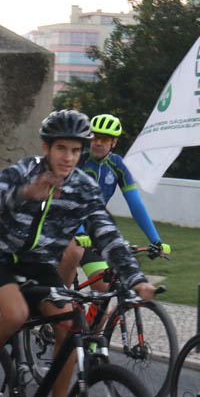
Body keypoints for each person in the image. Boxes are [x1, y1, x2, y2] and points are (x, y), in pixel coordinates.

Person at [0, 110, 156, 397]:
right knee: (16, 314)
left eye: (75, 150)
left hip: (38, 264)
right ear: (47, 147)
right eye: (61, 148)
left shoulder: (82, 187)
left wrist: (135, 278)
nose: (68, 157)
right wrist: (26, 192)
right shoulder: (26, 171)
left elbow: (105, 231)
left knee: (71, 324)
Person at [58, 114, 169, 289]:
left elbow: (135, 204)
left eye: (104, 138)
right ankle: (60, 302)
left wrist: (155, 240)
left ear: (114, 143)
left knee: (103, 289)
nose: (98, 142)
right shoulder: (78, 161)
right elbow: (67, 200)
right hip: (68, 225)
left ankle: (90, 316)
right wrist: (79, 230)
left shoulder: (118, 165)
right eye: (95, 137)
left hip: (94, 229)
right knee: (74, 253)